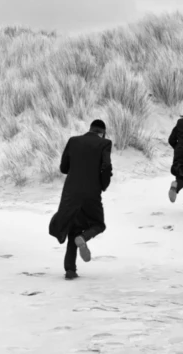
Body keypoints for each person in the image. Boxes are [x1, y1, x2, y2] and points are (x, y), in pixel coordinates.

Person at [48, 120, 113, 281]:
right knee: (99, 224)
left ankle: (70, 270)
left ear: (90, 129)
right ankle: (84, 238)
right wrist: (103, 185)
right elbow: (106, 167)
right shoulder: (105, 143)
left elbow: (64, 168)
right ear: (102, 133)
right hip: (91, 192)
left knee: (73, 228)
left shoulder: (74, 141)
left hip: (71, 192)